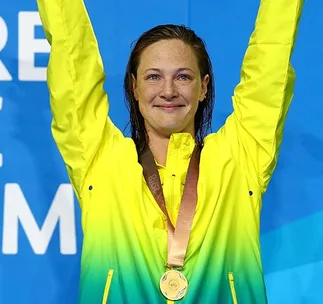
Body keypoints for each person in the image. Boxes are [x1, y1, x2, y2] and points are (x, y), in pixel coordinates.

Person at [36, 0, 304, 302]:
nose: (168, 91)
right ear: (134, 87)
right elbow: (73, 61)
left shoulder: (240, 158)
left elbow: (270, 66)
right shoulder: (99, 159)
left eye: (183, 77)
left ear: (203, 88)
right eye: (153, 76)